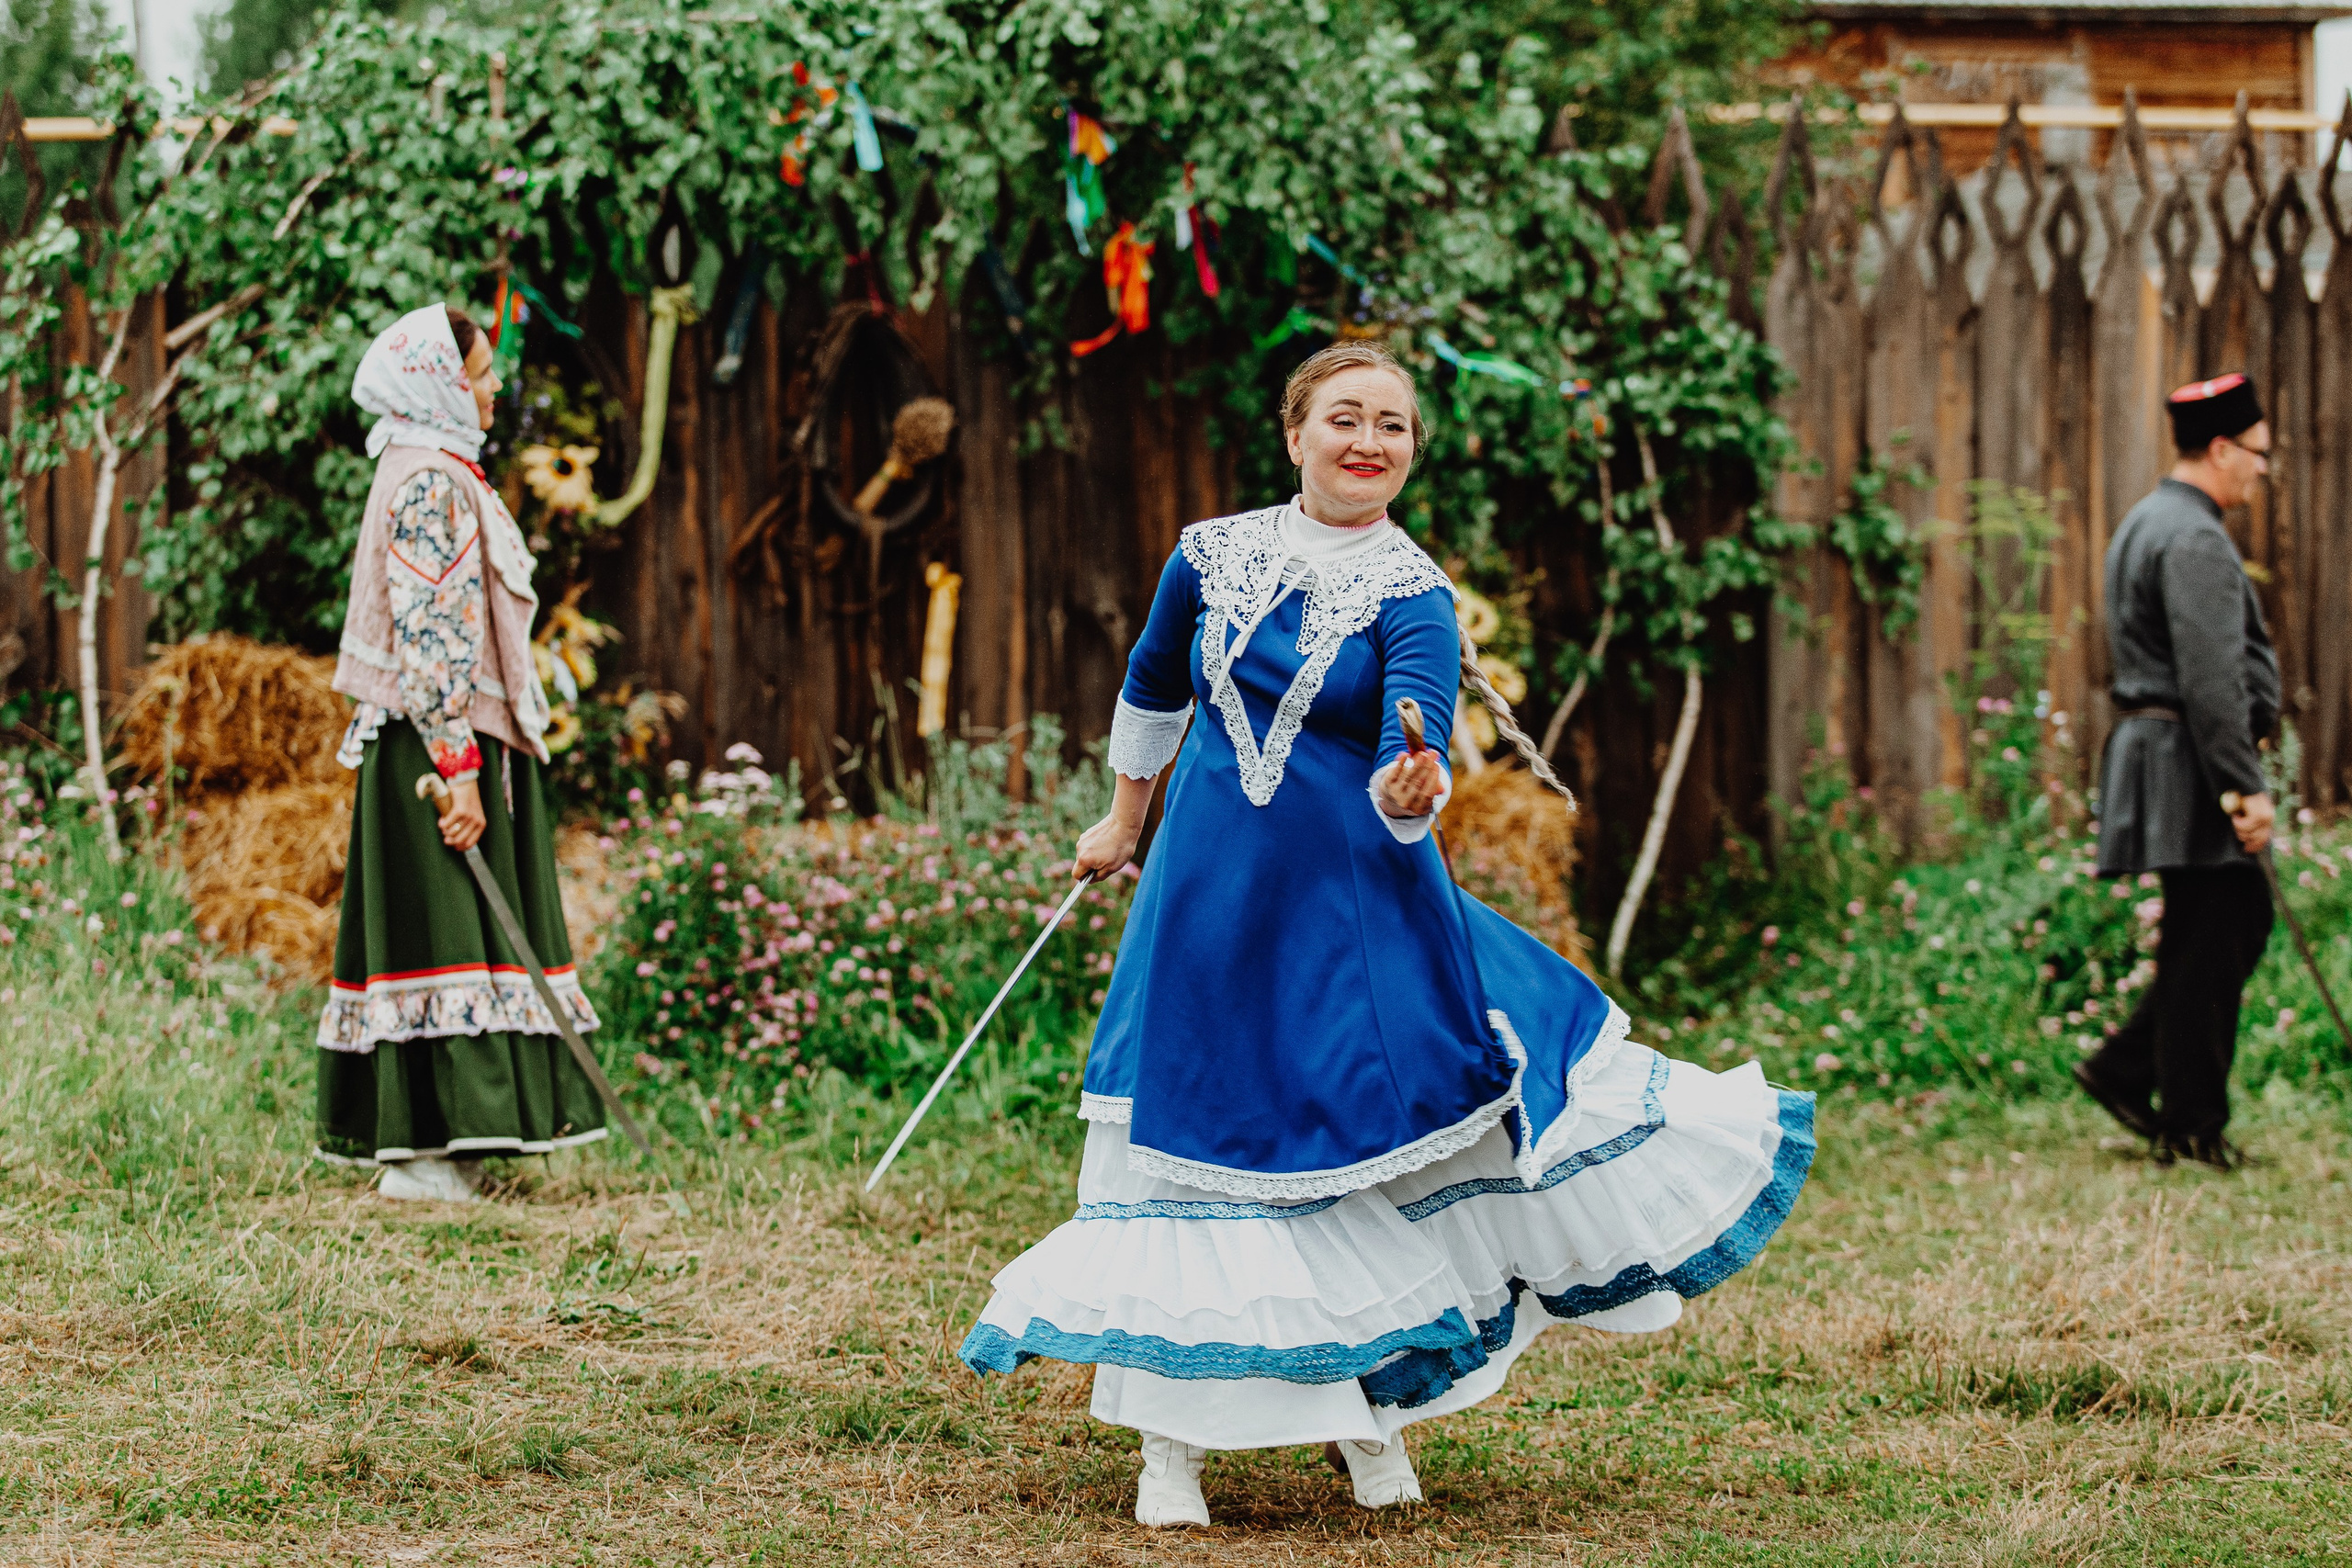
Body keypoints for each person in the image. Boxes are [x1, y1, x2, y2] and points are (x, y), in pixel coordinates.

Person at [956, 342, 1815, 1526]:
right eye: (1346, 418)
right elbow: (1154, 687)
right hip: (1204, 902)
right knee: (1180, 1160)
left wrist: (1412, 785)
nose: (1370, 441)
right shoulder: (1207, 556)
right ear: (1295, 433)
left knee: (1351, 1165)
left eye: (1395, 426)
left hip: (1345, 912)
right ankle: (1172, 1448)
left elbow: (1413, 729)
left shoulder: (1414, 592)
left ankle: (1369, 1423)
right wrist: (1119, 818)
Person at [311, 303, 606, 1201]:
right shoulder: (428, 484)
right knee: (443, 931)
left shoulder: (437, 470)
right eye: (477, 376)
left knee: (470, 936)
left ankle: (461, 1141)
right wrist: (456, 767)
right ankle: (424, 1155)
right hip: (435, 745)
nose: (490, 390)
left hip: (456, 739)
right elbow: (432, 635)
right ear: (438, 383)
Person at [2077, 373, 2280, 1170]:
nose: (2264, 469)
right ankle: (2190, 1121)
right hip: (2189, 761)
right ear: (2223, 447)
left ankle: (2131, 1073)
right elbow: (2210, 678)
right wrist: (2244, 784)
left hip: (2167, 757)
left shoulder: (2147, 519)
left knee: (2212, 930)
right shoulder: (2194, 535)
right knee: (2223, 925)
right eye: (2259, 454)